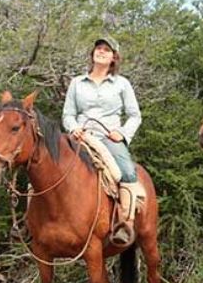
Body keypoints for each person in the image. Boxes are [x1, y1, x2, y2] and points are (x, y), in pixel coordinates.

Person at [62, 36, 144, 247]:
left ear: (113, 58)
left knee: (126, 170)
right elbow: (68, 114)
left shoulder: (122, 83)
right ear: (92, 54)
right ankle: (28, 223)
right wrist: (74, 128)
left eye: (107, 50)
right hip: (80, 136)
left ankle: (126, 223)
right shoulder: (76, 83)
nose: (101, 51)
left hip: (109, 137)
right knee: (46, 159)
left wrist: (123, 134)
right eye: (98, 48)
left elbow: (135, 115)